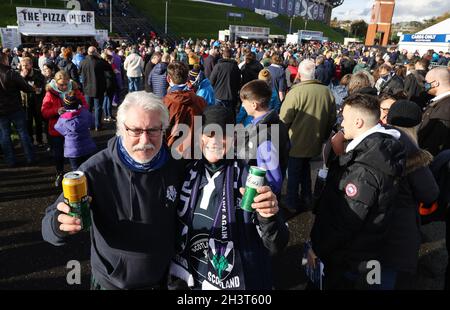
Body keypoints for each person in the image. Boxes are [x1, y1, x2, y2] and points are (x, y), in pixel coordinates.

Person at [42, 91, 185, 290]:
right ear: (120, 129)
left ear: (164, 130)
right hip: (113, 283)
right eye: (135, 131)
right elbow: (47, 227)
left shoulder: (176, 165)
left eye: (153, 130)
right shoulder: (93, 171)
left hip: (164, 279)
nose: (145, 140)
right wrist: (59, 224)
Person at [169, 105, 289, 290]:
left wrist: (269, 217)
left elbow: (275, 244)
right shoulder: (186, 172)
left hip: (235, 283)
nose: (214, 141)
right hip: (191, 279)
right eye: (209, 133)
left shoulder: (249, 178)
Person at [310, 93, 406, 290]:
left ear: (359, 122)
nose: (342, 124)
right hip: (362, 250)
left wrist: (318, 249)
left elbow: (346, 221)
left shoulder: (365, 167)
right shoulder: (378, 150)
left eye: (344, 118)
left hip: (347, 256)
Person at [383, 100, 439, 289]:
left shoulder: (374, 141)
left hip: (371, 230)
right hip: (400, 234)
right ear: (417, 124)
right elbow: (430, 193)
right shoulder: (412, 153)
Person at [280, 59, 336, 212]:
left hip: (295, 141)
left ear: (299, 73)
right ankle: (307, 197)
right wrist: (323, 137)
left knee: (293, 173)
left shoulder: (296, 92)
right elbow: (332, 119)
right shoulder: (327, 92)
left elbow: (284, 119)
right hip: (315, 141)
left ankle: (292, 201)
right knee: (305, 170)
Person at [239, 80, 289, 195]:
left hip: (257, 198)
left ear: (254, 105)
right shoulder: (278, 123)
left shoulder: (265, 137)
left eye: (243, 102)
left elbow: (273, 181)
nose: (242, 105)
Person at [41, 71, 87, 187]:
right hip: (56, 129)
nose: (64, 87)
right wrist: (56, 110)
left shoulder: (75, 90)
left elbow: (85, 105)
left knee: (75, 153)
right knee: (58, 154)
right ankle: (60, 173)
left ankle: (78, 176)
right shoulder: (50, 93)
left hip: (72, 129)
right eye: (61, 85)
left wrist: (76, 108)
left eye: (66, 84)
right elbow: (44, 112)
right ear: (56, 83)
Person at [163, 61, 206, 157]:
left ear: (168, 79)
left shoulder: (164, 103)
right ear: (187, 78)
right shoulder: (201, 101)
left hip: (173, 153)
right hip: (195, 151)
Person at [0, 51, 36, 167]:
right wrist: (32, 88)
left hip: (3, 111)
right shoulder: (10, 73)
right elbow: (26, 88)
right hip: (15, 108)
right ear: (4, 60)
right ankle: (30, 157)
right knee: (22, 133)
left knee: (5, 135)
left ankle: (11, 160)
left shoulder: (10, 73)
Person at [54, 92, 96, 171]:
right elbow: (92, 121)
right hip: (87, 147)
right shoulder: (84, 113)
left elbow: (57, 127)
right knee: (89, 168)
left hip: (73, 150)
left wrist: (67, 133)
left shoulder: (63, 119)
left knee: (76, 170)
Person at [418, 67, 450, 156]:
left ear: (435, 83)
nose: (425, 85)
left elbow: (437, 142)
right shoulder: (442, 102)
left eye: (426, 82)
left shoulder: (446, 107)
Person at [79, 47, 109, 131]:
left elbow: (79, 72)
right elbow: (108, 67)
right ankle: (97, 125)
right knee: (98, 108)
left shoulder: (83, 62)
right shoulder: (100, 62)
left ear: (88, 52)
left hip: (87, 89)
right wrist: (100, 57)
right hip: (98, 88)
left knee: (89, 108)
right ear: (95, 52)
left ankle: (89, 125)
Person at [19, 57, 46, 147]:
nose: (24, 67)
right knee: (28, 122)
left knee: (38, 122)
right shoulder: (19, 75)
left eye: (26, 65)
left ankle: (39, 140)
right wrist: (22, 77)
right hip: (26, 103)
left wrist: (36, 89)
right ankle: (30, 140)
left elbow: (42, 88)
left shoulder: (38, 74)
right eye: (23, 65)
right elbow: (17, 87)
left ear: (31, 64)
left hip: (37, 102)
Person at [210, 48, 241, 115]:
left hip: (220, 95)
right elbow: (239, 82)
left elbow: (211, 80)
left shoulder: (218, 66)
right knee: (229, 117)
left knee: (218, 116)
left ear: (223, 55)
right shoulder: (235, 67)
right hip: (230, 96)